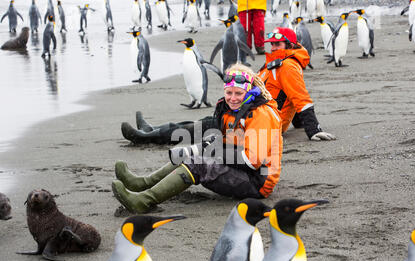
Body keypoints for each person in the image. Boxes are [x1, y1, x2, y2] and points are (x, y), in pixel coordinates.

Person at [112, 63, 283, 214]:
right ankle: (142, 183)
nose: (232, 98)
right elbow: (229, 144)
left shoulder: (261, 114)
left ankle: (143, 201)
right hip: (243, 168)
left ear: (249, 90)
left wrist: (211, 151)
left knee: (198, 163)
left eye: (238, 93)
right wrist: (204, 148)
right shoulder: (233, 109)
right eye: (228, 92)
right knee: (192, 153)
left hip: (258, 181)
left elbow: (252, 160)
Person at [258, 27, 336, 141]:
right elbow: (287, 94)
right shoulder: (274, 63)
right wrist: (298, 123)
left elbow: (299, 97)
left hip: (266, 124)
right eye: (272, 44)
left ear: (290, 45)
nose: (273, 48)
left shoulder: (287, 66)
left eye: (277, 44)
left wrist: (313, 129)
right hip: (258, 117)